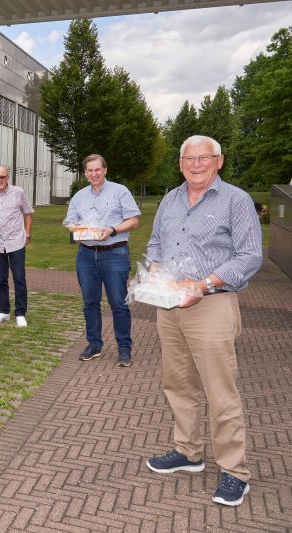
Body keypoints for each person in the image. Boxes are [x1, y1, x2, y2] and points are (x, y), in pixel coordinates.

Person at [145, 135, 262, 507]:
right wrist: (158, 269)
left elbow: (249, 256)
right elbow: (154, 244)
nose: (196, 164)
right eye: (188, 158)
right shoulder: (170, 199)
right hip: (170, 306)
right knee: (178, 383)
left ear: (219, 161)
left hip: (211, 304)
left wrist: (204, 283)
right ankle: (189, 451)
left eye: (204, 158)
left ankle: (234, 472)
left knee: (220, 391)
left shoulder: (236, 201)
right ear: (180, 164)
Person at [64, 154, 140, 367]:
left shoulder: (120, 191)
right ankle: (94, 344)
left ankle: (124, 347)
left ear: (105, 170)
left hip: (115, 253)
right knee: (90, 302)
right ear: (85, 173)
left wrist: (113, 230)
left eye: (97, 170)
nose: (94, 174)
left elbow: (133, 221)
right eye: (89, 171)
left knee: (118, 303)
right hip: (86, 255)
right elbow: (70, 223)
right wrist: (80, 229)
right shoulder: (79, 196)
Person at [0, 165, 34, 328]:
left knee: (19, 278)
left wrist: (28, 233)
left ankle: (20, 313)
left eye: (2, 177)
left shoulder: (18, 192)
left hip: (16, 241)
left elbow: (28, 212)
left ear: (7, 177)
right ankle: (4, 311)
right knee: (1, 278)